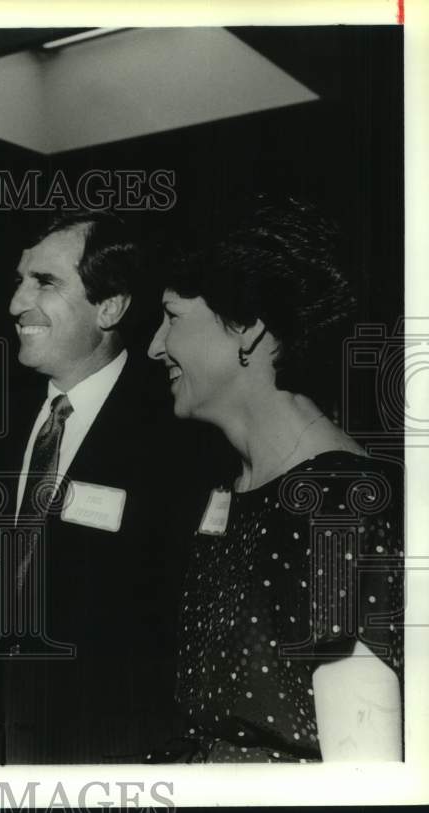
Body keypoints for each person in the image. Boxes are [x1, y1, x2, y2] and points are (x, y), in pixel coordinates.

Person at [0, 212, 222, 764]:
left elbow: (185, 639)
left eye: (45, 282)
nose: (16, 303)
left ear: (110, 306)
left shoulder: (180, 440)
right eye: (19, 281)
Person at [147, 196, 403, 762]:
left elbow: (364, 775)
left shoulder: (339, 507)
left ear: (249, 327)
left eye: (171, 317)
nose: (153, 347)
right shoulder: (230, 491)